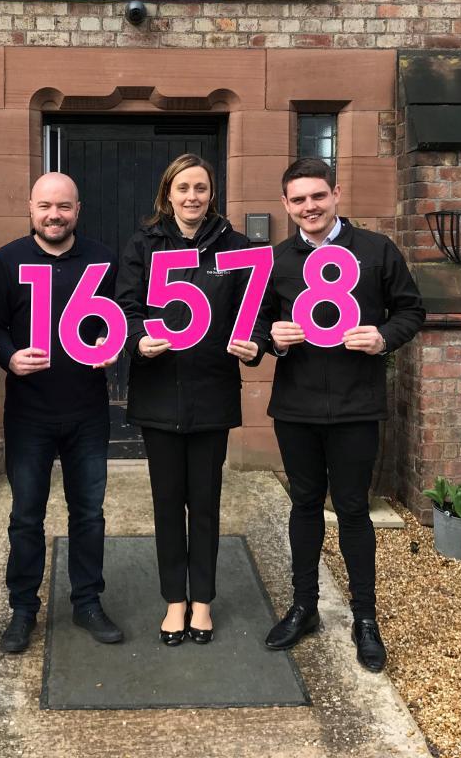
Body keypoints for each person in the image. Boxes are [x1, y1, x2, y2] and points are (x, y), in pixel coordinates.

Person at [257, 158, 425, 672]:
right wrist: (272, 339)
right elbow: (257, 325)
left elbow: (411, 310)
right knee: (304, 505)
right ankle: (304, 606)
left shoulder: (375, 250)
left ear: (336, 194)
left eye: (318, 196)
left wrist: (383, 337)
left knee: (353, 510)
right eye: (298, 199)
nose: (309, 206)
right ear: (286, 205)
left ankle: (365, 618)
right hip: (297, 405)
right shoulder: (276, 260)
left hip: (356, 403)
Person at [115, 154, 261, 645]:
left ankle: (203, 602)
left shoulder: (235, 247)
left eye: (200, 188)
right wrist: (137, 338)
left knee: (205, 504)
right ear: (168, 194)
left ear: (211, 193)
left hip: (211, 394)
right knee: (166, 504)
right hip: (158, 394)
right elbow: (126, 307)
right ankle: (174, 601)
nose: (192, 196)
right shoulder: (143, 244)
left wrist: (256, 341)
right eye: (183, 188)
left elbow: (254, 311)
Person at [0, 172, 124, 653]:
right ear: (30, 208)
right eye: (45, 206)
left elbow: (116, 319)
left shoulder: (103, 259)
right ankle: (23, 610)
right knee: (26, 516)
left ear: (78, 210)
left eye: (63, 206)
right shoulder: (8, 260)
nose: (54, 215)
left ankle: (87, 602)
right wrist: (8, 356)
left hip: (87, 410)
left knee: (89, 514)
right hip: (30, 413)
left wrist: (110, 343)